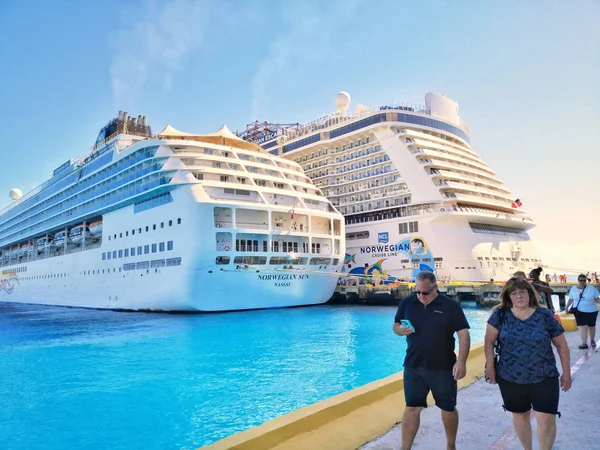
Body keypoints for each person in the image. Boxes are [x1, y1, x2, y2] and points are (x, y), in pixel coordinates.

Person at [484, 278, 571, 450]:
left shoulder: (544, 315)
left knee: (547, 417)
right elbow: (489, 342)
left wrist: (566, 373)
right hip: (510, 376)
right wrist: (490, 367)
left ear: (530, 294)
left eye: (522, 292)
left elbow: (561, 345)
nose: (519, 296)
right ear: (508, 297)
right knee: (520, 415)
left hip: (544, 374)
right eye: (514, 293)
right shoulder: (500, 314)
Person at [393, 271, 471, 450]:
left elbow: (463, 333)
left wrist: (461, 362)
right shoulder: (408, 302)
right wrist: (399, 330)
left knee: (448, 408)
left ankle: (450, 446)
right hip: (413, 366)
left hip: (443, 367)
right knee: (411, 407)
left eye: (425, 293)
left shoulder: (450, 306)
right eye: (417, 292)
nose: (421, 296)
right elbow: (396, 324)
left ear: (435, 288)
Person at [566, 274, 600, 349]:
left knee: (591, 326)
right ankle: (584, 343)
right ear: (578, 281)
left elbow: (596, 298)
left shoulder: (591, 288)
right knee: (582, 327)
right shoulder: (573, 288)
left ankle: (592, 340)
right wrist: (567, 306)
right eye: (580, 280)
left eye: (584, 281)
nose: (582, 282)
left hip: (592, 311)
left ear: (586, 281)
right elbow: (571, 299)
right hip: (579, 311)